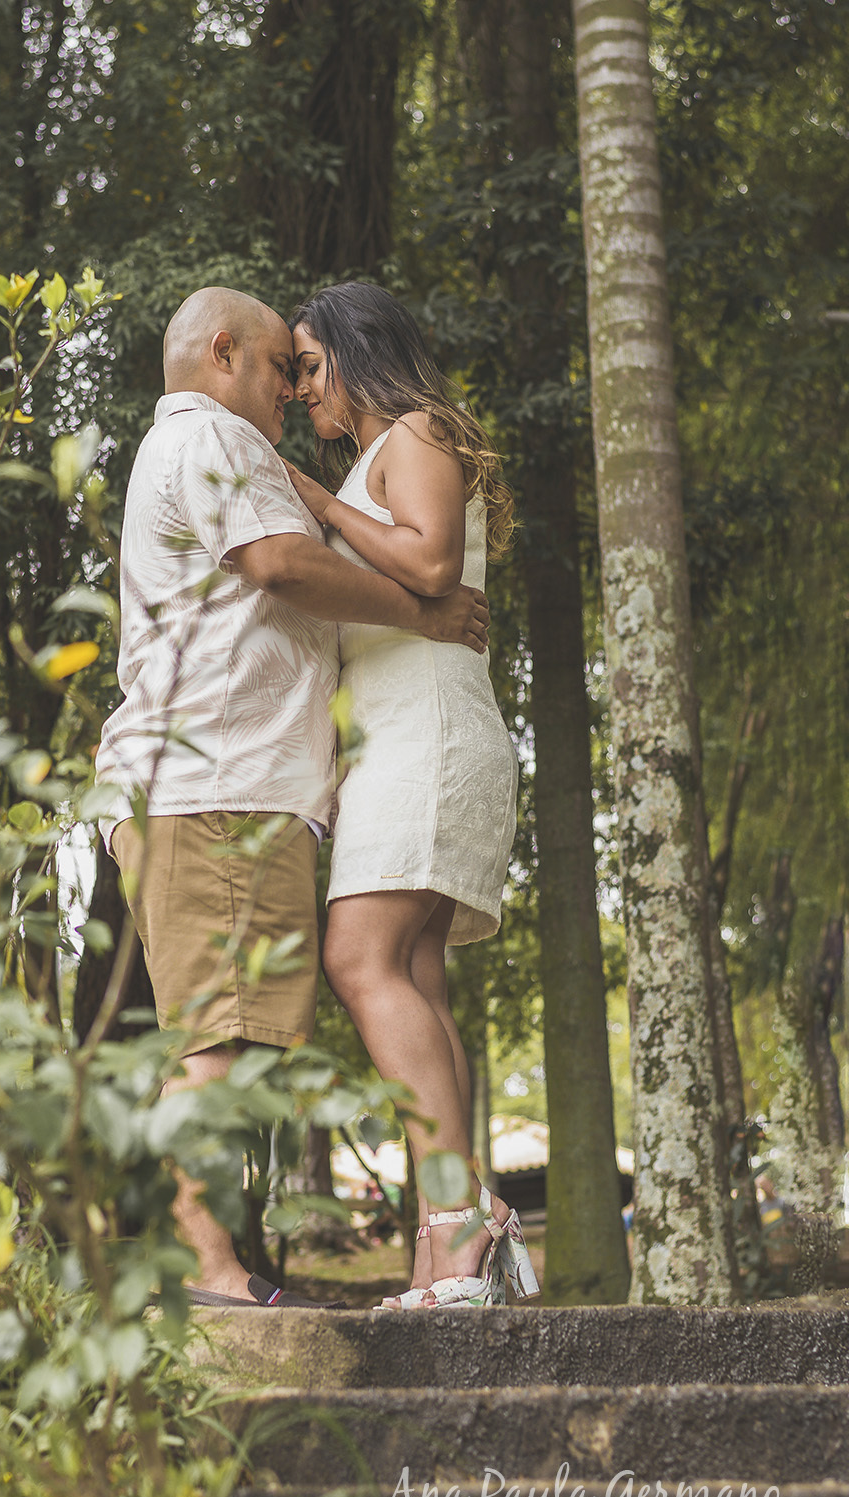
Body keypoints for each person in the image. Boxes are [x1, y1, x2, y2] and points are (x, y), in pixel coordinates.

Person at [94, 285, 491, 1308]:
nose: (290, 391)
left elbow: (331, 562)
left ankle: (444, 1243)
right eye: (282, 366)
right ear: (223, 353)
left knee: (294, 1004)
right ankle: (214, 1270)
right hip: (215, 786)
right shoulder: (214, 439)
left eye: (307, 367)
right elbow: (280, 564)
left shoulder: (378, 441)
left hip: (259, 781)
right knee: (226, 1031)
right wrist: (421, 612)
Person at [285, 281, 539, 1309]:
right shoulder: (375, 460)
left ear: (354, 354)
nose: (301, 388)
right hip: (402, 739)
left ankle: (457, 1223)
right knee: (415, 980)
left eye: (308, 365)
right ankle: (447, 1255)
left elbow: (433, 563)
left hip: (430, 734)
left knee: (359, 958)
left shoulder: (417, 431)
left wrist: (312, 498)